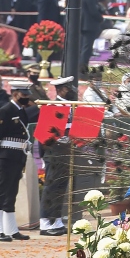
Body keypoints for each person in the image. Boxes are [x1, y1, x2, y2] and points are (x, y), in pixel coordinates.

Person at [38, 76, 76, 236]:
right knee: (51, 187)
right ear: (60, 90)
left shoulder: (72, 106)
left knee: (61, 187)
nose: (71, 90)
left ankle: (56, 219)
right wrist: (45, 156)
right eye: (68, 88)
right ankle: (45, 222)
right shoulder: (53, 107)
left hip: (66, 150)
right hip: (54, 151)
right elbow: (43, 135)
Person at [0, 89, 31, 242]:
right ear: (14, 94)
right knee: (2, 192)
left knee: (11, 193)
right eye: (23, 96)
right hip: (5, 157)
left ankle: (11, 230)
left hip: (18, 156)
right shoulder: (5, 111)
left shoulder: (21, 111)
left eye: (27, 96)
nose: (26, 98)